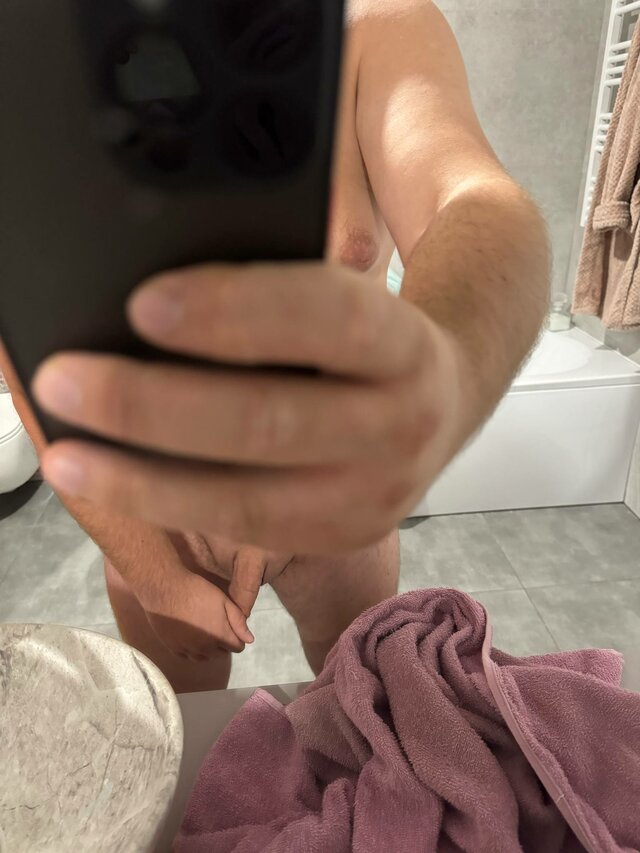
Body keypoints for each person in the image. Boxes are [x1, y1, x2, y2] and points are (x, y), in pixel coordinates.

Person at [1, 0, 549, 693]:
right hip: (155, 518)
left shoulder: (376, 28)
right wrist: (155, 574)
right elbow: (24, 339)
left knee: (364, 713)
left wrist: (441, 379)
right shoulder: (51, 55)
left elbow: (471, 199)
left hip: (332, 509)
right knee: (184, 731)